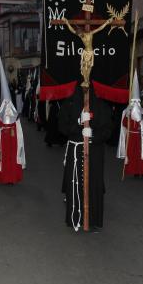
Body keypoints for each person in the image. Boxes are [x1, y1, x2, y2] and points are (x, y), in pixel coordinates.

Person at [59, 86, 113, 231]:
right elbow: (62, 127)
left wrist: (93, 134)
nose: (85, 93)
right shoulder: (69, 104)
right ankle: (75, 218)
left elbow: (108, 130)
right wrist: (77, 123)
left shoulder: (101, 106)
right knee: (75, 183)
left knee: (93, 183)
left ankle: (93, 219)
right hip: (75, 150)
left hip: (94, 152)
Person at [0, 56, 26, 185]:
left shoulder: (14, 111)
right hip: (3, 139)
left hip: (12, 138)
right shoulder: (0, 111)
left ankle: (11, 178)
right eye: (4, 102)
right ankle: (3, 177)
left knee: (11, 159)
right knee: (4, 159)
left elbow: (16, 123)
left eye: (7, 101)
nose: (6, 103)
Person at [117, 72, 143, 178]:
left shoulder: (142, 112)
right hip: (131, 137)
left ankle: (142, 171)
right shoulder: (127, 112)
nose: (135, 103)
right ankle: (135, 171)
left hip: (140, 136)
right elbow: (124, 124)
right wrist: (127, 116)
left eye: (136, 101)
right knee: (132, 155)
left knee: (141, 155)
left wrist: (140, 121)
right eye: (133, 101)